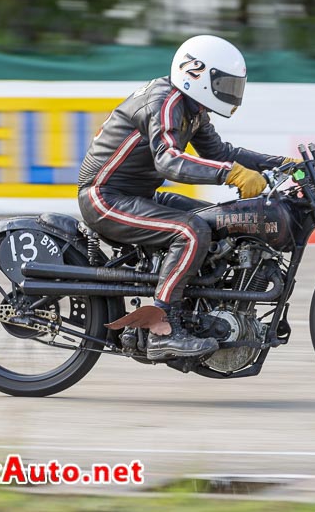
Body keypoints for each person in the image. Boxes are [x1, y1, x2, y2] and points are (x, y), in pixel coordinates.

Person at [77, 35, 299, 361]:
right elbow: (166, 160)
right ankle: (161, 331)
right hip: (105, 198)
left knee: (220, 220)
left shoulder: (192, 110)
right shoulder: (163, 102)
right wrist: (231, 174)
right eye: (223, 82)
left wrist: (279, 163)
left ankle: (198, 312)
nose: (230, 90)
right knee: (192, 231)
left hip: (139, 195)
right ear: (196, 73)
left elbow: (223, 152)